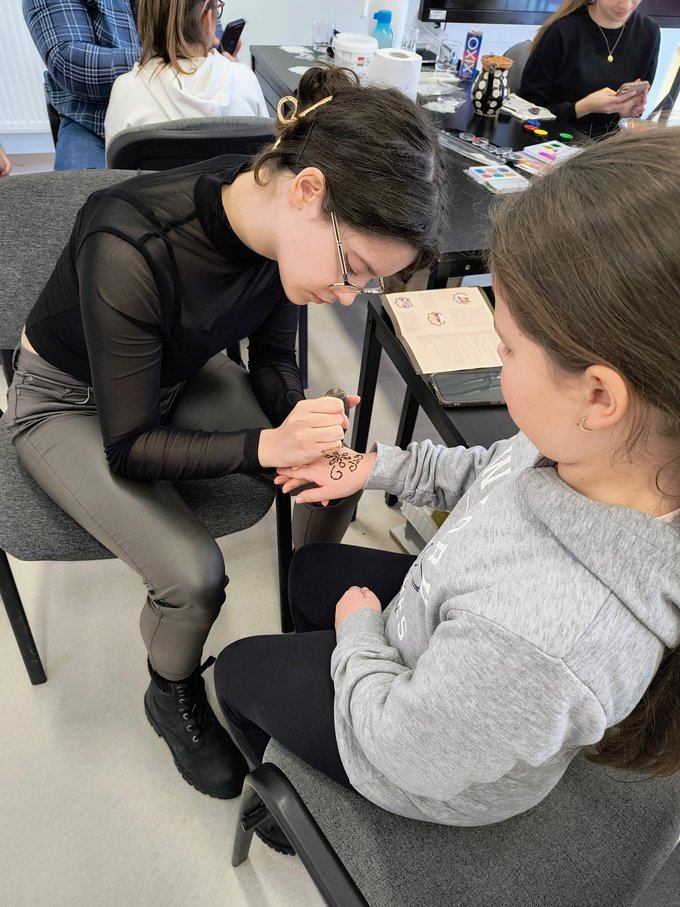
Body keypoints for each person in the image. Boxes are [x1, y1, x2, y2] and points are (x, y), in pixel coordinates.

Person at [214, 127, 680, 853]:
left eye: (508, 347)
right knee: (312, 570)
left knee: (237, 671)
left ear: (599, 395)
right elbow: (491, 471)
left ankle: (292, 819)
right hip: (432, 642)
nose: (495, 355)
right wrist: (376, 467)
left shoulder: (538, 640)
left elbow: (402, 746)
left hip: (416, 759)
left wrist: (356, 639)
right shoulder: (594, 452)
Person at [1, 65, 444, 801]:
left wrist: (300, 418)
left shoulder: (278, 220)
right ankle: (168, 690)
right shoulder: (129, 240)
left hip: (175, 370)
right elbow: (129, 445)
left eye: (365, 284)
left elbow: (272, 359)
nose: (346, 296)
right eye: (353, 269)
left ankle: (312, 617)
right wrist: (269, 443)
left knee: (333, 467)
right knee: (193, 575)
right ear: (309, 192)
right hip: (69, 403)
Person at [104, 0, 267, 148]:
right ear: (206, 18)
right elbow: (267, 160)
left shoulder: (125, 91)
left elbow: (114, 168)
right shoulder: (245, 80)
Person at [23, 0, 141, 169]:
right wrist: (169, 59)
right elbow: (71, 64)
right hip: (93, 120)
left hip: (172, 104)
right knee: (81, 185)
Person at [520, 0, 660, 137]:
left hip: (612, 144)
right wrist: (582, 108)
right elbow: (527, 110)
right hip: (555, 137)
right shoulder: (562, 31)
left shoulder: (649, 31)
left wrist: (628, 115)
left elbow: (631, 117)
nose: (626, 5)